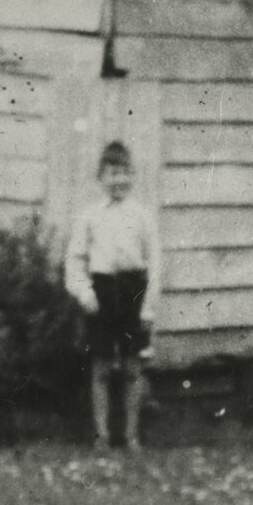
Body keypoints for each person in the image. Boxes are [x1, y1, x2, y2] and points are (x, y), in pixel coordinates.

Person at [65, 140, 160, 451]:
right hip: (102, 292)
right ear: (100, 177)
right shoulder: (90, 216)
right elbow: (75, 259)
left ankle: (131, 435)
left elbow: (156, 263)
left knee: (133, 367)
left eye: (125, 173)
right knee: (102, 366)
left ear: (133, 176)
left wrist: (148, 307)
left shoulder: (143, 216)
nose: (120, 180)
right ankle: (101, 435)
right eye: (112, 173)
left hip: (133, 290)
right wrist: (84, 292)